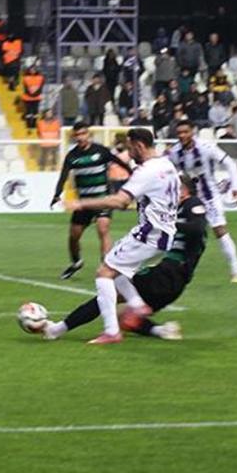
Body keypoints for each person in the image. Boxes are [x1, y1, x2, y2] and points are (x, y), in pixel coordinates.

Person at [34, 174, 205, 342]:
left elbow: (197, 228)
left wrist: (165, 225)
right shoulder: (174, 210)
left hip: (168, 275)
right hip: (173, 281)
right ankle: (161, 330)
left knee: (108, 286)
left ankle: (57, 330)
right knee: (124, 317)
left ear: (183, 191)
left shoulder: (192, 203)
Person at [62, 127, 179, 344]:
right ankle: (137, 304)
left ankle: (111, 331)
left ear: (139, 146)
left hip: (149, 234)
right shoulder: (167, 165)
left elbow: (120, 201)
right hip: (165, 234)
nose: (128, 153)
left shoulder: (146, 171)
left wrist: (81, 203)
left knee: (104, 273)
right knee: (115, 265)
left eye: (130, 148)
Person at [51, 122, 132, 280]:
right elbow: (63, 176)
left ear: (89, 135)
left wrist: (133, 173)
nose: (81, 137)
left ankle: (106, 267)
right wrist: (57, 194)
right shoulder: (72, 156)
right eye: (77, 135)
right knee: (74, 236)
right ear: (74, 137)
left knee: (103, 229)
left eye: (83, 134)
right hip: (84, 203)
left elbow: (119, 162)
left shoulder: (100, 150)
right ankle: (76, 262)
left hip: (103, 199)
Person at [167, 119, 237, 282]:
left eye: (185, 132)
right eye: (179, 133)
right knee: (180, 231)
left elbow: (230, 163)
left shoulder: (206, 147)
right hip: (189, 200)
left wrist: (235, 186)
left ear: (192, 132)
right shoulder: (175, 152)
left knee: (220, 230)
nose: (182, 135)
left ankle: (236, 270)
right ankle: (176, 267)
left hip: (209, 197)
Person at [21, 66, 44, 132]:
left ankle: (34, 124)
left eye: (34, 69)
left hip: (36, 98)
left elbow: (41, 88)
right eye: (31, 69)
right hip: (27, 98)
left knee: (35, 112)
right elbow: (25, 88)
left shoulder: (40, 77)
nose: (32, 71)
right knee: (28, 112)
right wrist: (32, 94)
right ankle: (28, 125)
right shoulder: (25, 78)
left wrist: (35, 94)